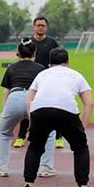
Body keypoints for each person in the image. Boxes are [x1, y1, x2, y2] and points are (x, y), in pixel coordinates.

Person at [20, 48, 94, 187]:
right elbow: (89, 103)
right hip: (66, 110)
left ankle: (28, 186)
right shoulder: (76, 75)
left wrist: (32, 121)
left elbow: (29, 100)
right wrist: (82, 127)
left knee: (35, 147)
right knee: (80, 147)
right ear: (68, 62)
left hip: (40, 110)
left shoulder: (42, 74)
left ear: (49, 63)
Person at [0, 38, 57, 177]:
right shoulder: (41, 69)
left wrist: (6, 108)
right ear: (34, 53)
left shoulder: (11, 68)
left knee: (3, 132)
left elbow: (5, 91)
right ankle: (46, 167)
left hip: (14, 98)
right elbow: (45, 90)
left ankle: (2, 168)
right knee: (48, 133)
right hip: (34, 99)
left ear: (18, 54)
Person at [14, 16, 60, 148]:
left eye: (43, 25)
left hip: (48, 81)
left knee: (53, 108)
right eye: (38, 25)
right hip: (30, 80)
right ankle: (21, 136)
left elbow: (58, 59)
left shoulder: (52, 43)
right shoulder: (27, 42)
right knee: (27, 108)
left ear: (46, 27)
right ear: (34, 27)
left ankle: (58, 137)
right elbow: (20, 59)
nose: (40, 27)